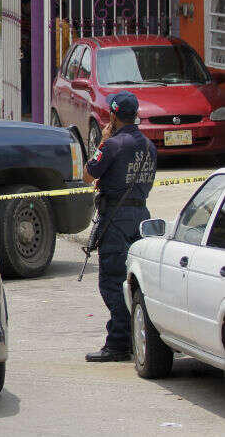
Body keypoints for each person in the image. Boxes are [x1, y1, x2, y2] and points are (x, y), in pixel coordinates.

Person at [83, 91, 157, 363]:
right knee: (134, 280)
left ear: (113, 115)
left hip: (115, 217)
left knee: (112, 282)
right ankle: (135, 336)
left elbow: (87, 174)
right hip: (141, 216)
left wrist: (102, 140)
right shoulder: (150, 146)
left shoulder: (112, 145)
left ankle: (118, 342)